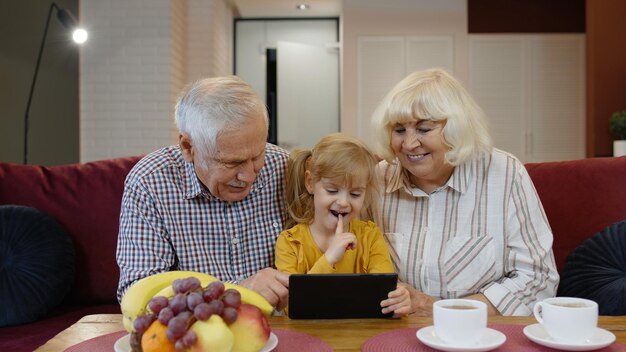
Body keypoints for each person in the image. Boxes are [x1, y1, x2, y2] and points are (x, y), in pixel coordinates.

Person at [370, 68, 559, 316]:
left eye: (424, 129)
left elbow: (538, 279)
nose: (409, 144)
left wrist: (437, 309)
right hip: (396, 331)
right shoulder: (377, 179)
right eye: (399, 130)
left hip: (481, 332)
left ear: (456, 129)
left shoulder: (505, 173)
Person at [116, 76, 290, 310]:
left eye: (258, 155)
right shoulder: (149, 183)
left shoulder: (284, 167)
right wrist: (237, 293)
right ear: (188, 148)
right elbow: (137, 294)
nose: (249, 176)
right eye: (232, 163)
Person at [275, 133, 411, 317]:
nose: (344, 202)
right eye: (332, 190)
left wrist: (397, 302)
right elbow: (293, 306)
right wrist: (330, 258)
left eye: (355, 194)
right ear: (310, 184)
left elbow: (382, 298)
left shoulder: (370, 236)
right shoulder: (290, 242)